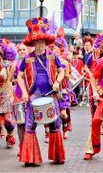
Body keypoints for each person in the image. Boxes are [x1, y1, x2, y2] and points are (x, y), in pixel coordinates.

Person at [18, 17, 65, 166]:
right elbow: (19, 76)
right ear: (33, 42)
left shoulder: (52, 56)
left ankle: (57, 156)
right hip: (35, 96)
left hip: (50, 95)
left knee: (55, 124)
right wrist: (25, 92)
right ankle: (30, 159)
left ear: (45, 42)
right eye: (36, 42)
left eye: (42, 42)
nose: (39, 45)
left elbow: (61, 70)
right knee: (30, 126)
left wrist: (57, 81)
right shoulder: (27, 59)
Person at [9, 42, 29, 156]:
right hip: (18, 95)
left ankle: (28, 146)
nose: (22, 51)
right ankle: (22, 147)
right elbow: (9, 80)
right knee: (21, 123)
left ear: (27, 51)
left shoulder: (31, 62)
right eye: (20, 50)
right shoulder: (15, 64)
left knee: (29, 123)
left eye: (24, 49)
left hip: (30, 96)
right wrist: (11, 94)